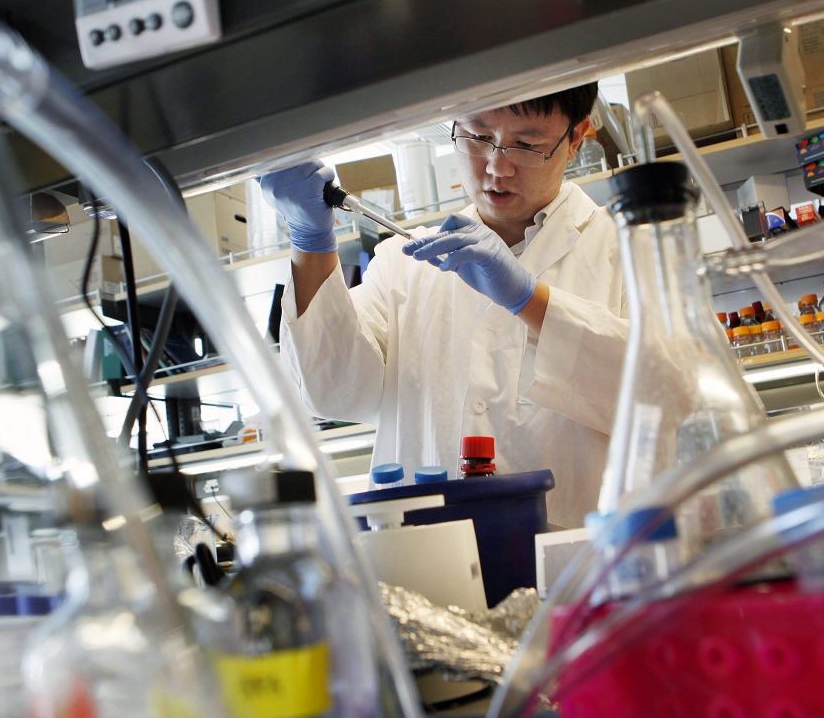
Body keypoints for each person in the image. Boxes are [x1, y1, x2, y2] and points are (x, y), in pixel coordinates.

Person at [259, 83, 627, 526]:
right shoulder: (404, 262)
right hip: (429, 566)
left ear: (576, 138)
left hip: (578, 569)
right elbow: (334, 392)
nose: (497, 166)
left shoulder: (628, 251)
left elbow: (675, 397)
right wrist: (309, 240)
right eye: (476, 136)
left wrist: (530, 302)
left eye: (527, 145)